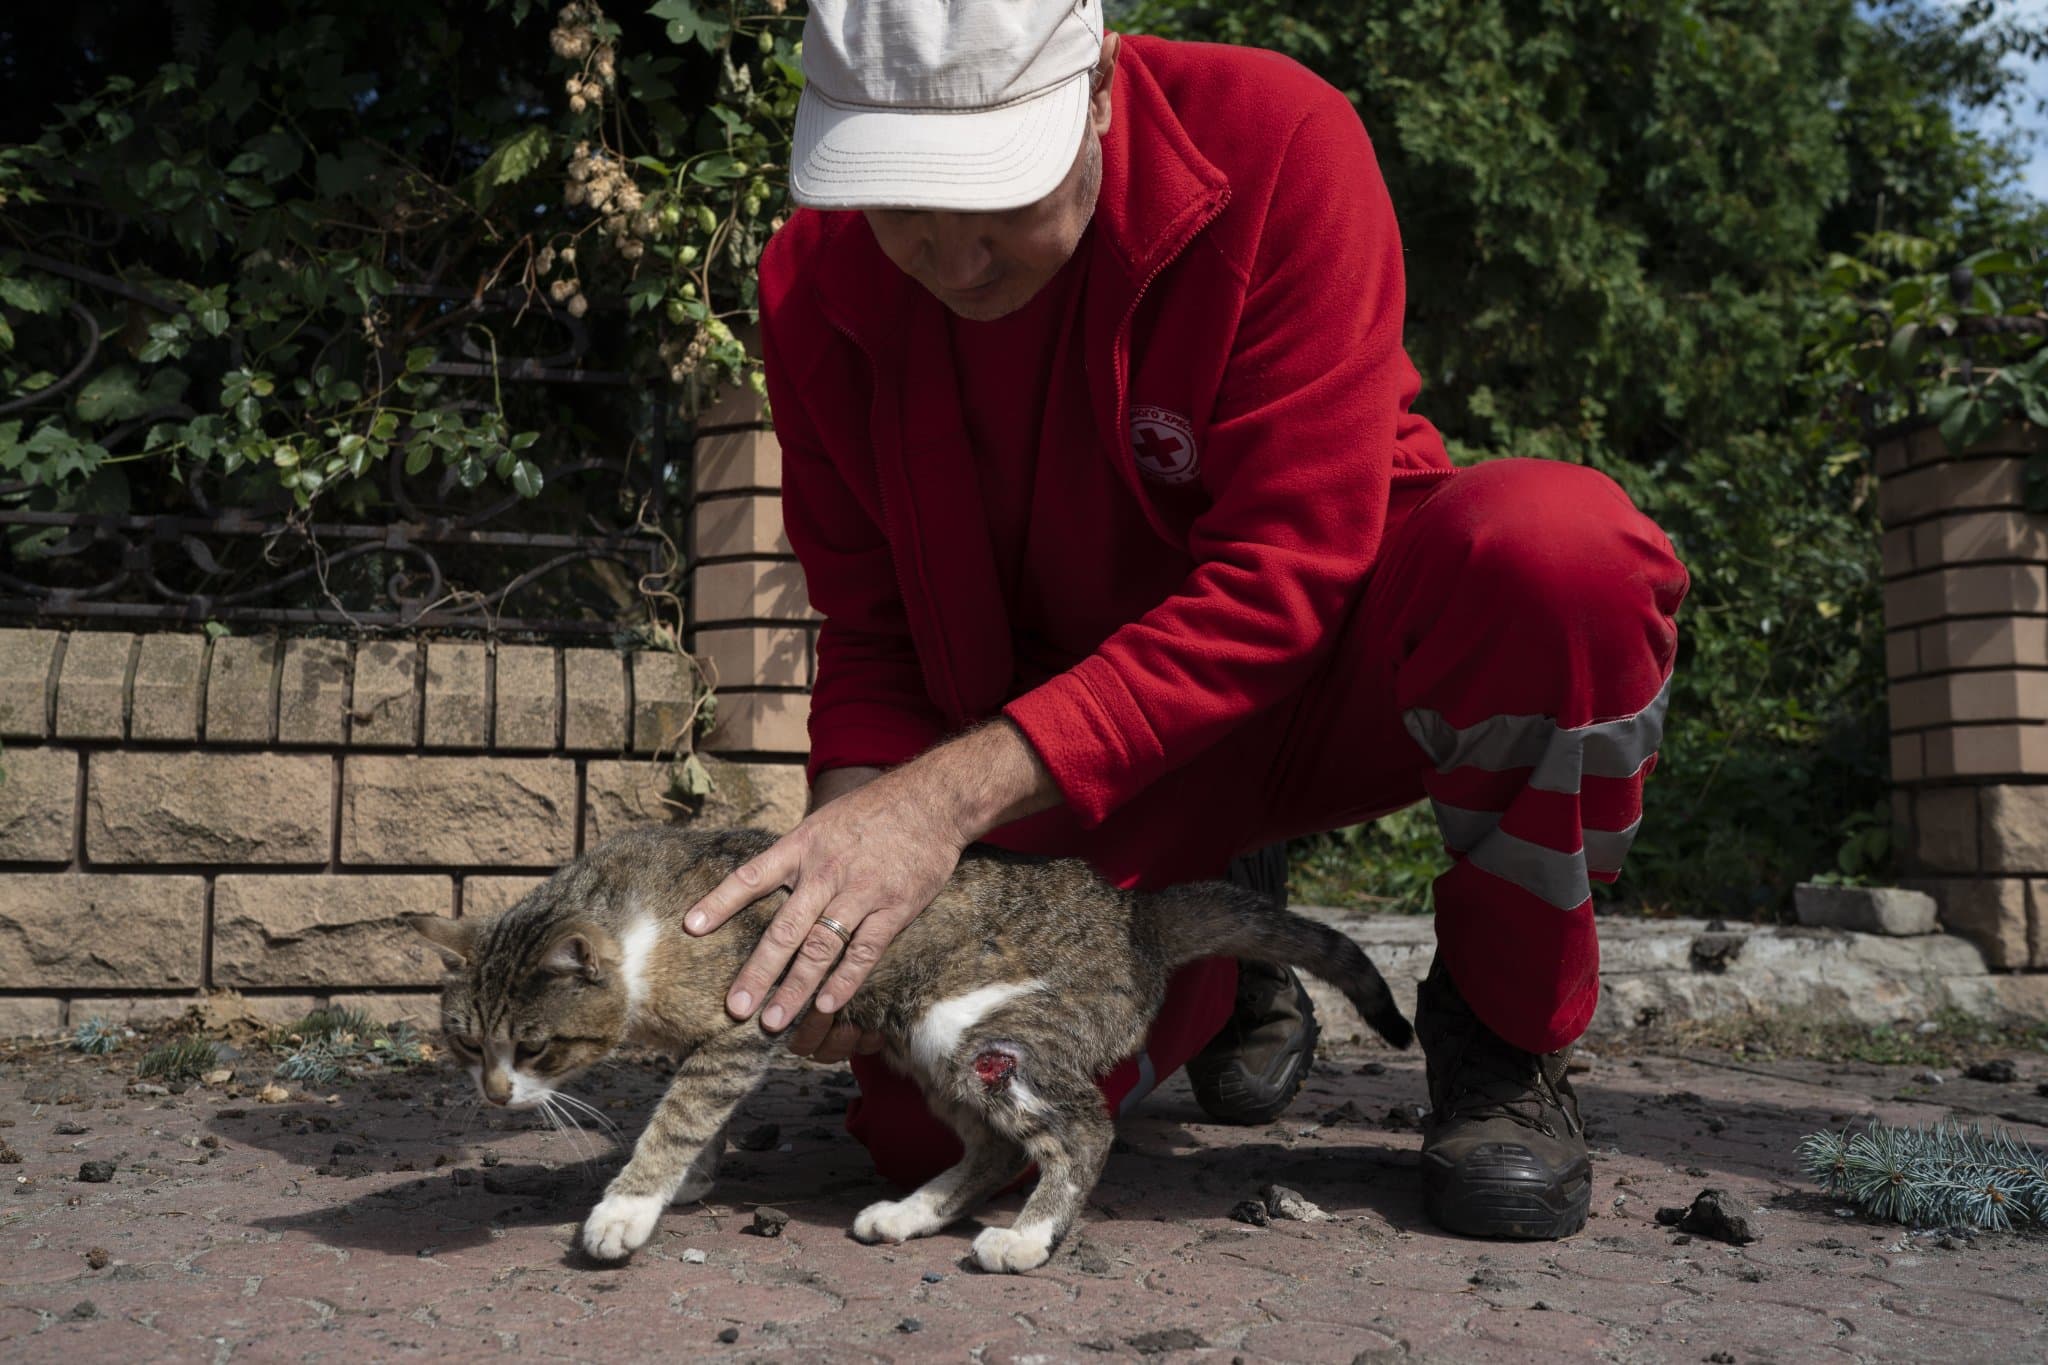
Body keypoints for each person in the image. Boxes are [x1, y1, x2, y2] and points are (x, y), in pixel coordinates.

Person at [682, 0, 1688, 1241]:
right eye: (901, 210)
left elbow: (1283, 575)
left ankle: (1501, 1034)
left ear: (1098, 84)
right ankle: (1223, 943)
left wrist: (932, 807)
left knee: (1559, 555)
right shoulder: (813, 283)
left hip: (1326, 672)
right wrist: (850, 888)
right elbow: (874, 627)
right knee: (935, 1121)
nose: (952, 262)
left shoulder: (1277, 141)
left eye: (992, 198)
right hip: (1074, 746)